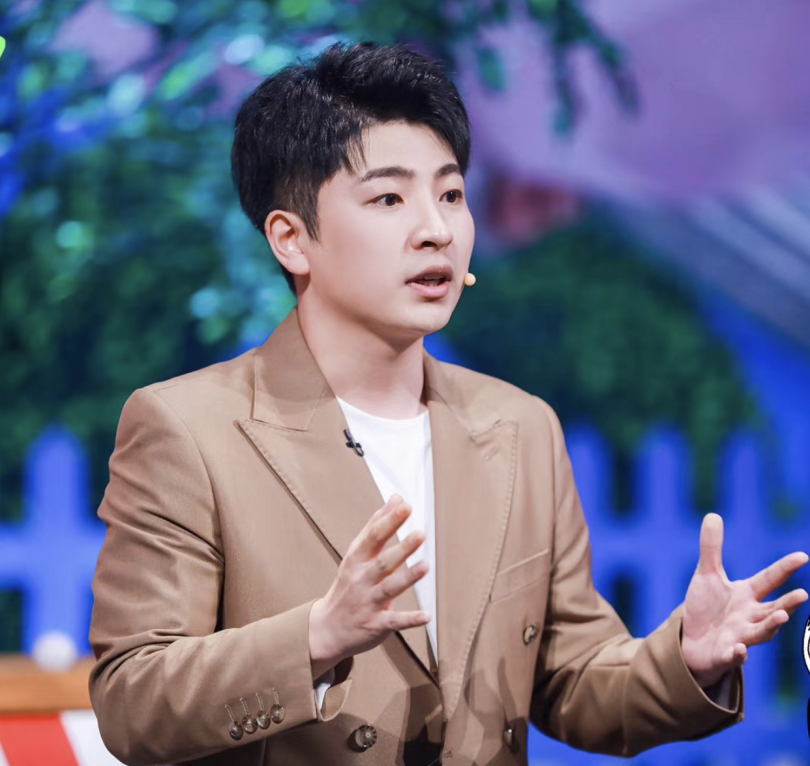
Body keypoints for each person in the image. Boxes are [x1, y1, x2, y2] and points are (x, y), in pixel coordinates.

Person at [88, 41, 808, 766]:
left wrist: (687, 659)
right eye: (389, 198)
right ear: (292, 239)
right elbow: (133, 701)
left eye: (451, 194)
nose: (435, 229)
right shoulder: (189, 429)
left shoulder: (520, 426)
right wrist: (315, 636)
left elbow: (573, 680)